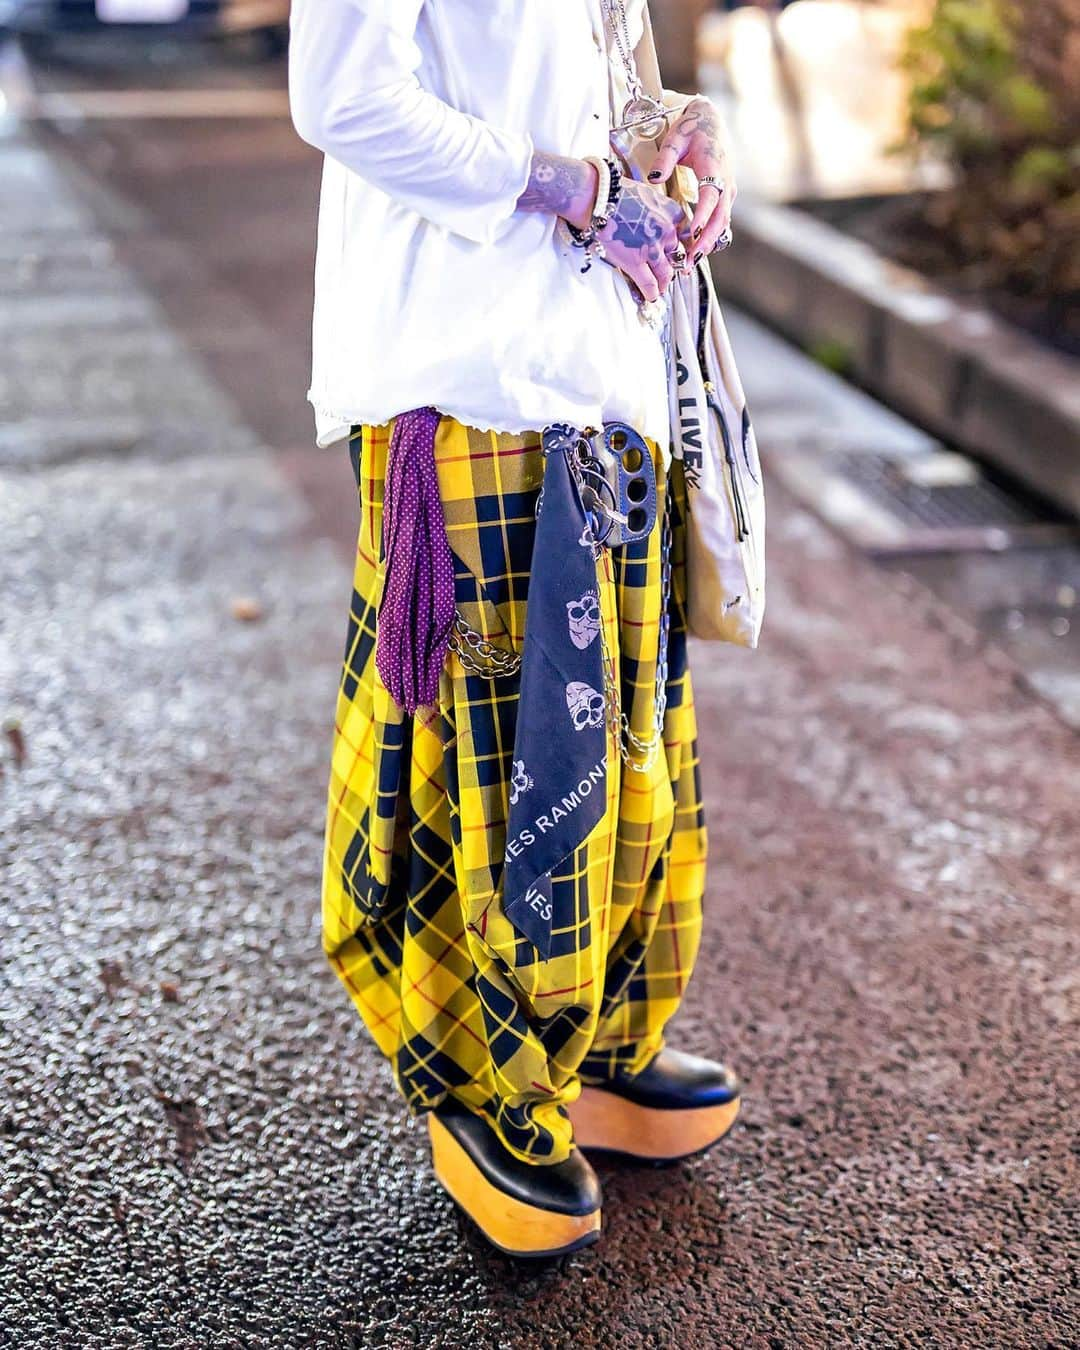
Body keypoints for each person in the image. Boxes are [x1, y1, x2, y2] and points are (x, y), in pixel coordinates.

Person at [288, 0, 742, 1259]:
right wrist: (575, 186)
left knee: (620, 733)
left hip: (605, 372)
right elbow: (342, 97)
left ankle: (593, 1047)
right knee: (500, 755)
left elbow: (575, 81)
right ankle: (487, 1085)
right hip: (474, 382)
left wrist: (675, 141)